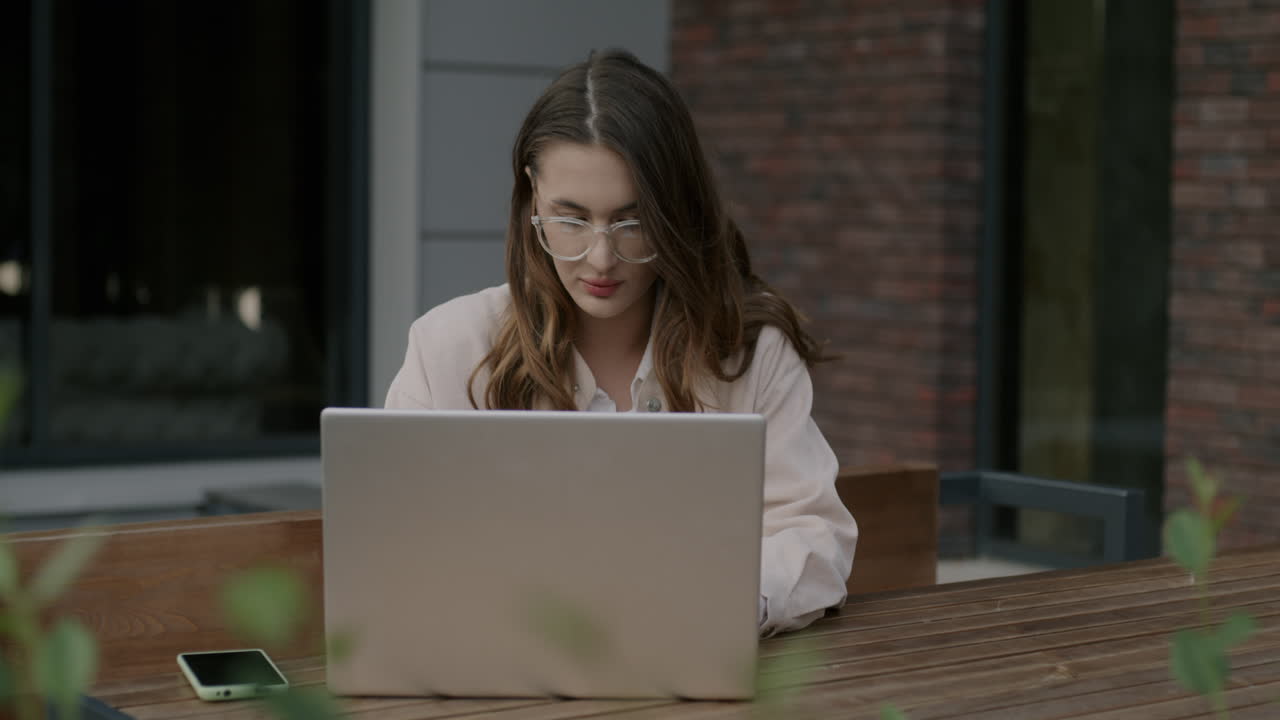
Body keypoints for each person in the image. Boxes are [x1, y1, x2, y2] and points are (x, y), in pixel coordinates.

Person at [385, 48, 857, 636]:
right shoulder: (449, 347)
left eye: (633, 222)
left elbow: (812, 534)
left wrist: (731, 606)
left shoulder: (748, 353)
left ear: (676, 210)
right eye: (572, 218)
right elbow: (397, 546)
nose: (602, 258)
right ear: (532, 196)